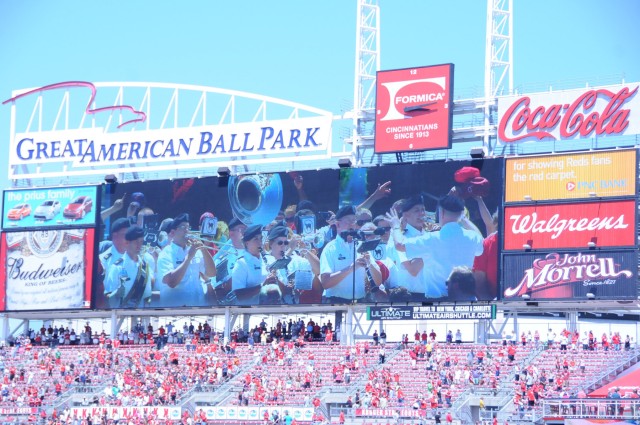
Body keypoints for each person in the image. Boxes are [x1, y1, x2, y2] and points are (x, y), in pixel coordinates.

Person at [387, 193, 484, 299]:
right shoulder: (473, 236)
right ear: (461, 214)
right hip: (467, 300)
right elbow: (482, 245)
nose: (422, 214)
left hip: (438, 302)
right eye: (417, 210)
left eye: (423, 210)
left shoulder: (431, 238)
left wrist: (396, 226)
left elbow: (400, 245)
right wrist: (464, 220)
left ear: (441, 213)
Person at [320, 205, 382, 303]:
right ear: (338, 224)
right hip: (336, 303)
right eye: (349, 221)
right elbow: (325, 282)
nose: (352, 224)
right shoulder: (330, 248)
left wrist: (369, 263)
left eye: (354, 221)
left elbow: (378, 282)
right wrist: (352, 268)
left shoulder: (362, 245)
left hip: (360, 302)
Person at [156, 213, 216, 307]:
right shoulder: (165, 254)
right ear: (173, 232)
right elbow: (172, 282)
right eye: (183, 227)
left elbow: (212, 273)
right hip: (174, 310)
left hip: (198, 307)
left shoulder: (195, 250)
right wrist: (188, 258)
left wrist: (203, 249)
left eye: (188, 227)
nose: (187, 231)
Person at [264, 225, 320, 304]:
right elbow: (274, 267)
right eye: (280, 243)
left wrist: (305, 250)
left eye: (286, 243)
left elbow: (318, 269)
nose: (283, 246)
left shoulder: (295, 260)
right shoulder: (265, 259)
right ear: (271, 244)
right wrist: (290, 249)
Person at [103, 226, 154, 308]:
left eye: (141, 242)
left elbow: (147, 296)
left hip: (139, 315)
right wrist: (115, 293)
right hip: (119, 316)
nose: (139, 246)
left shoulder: (144, 267)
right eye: (136, 242)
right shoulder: (117, 267)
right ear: (127, 243)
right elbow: (107, 296)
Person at [231, 224, 283, 305]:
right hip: (251, 311)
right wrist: (263, 285)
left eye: (261, 238)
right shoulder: (241, 263)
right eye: (256, 239)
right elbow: (239, 296)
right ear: (247, 243)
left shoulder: (270, 259)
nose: (260, 243)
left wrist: (277, 280)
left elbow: (281, 288)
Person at [98, 218, 131, 307]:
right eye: (125, 235)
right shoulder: (104, 260)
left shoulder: (136, 257)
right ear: (115, 236)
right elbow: (104, 293)